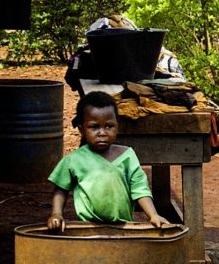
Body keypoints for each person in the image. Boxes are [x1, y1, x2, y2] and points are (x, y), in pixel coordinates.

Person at [47, 91, 169, 231]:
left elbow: (140, 189)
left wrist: (153, 215)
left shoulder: (127, 156)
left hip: (122, 227)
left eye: (108, 126)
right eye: (94, 127)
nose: (102, 133)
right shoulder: (74, 160)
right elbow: (61, 190)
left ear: (117, 126)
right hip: (88, 227)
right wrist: (56, 214)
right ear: (81, 129)